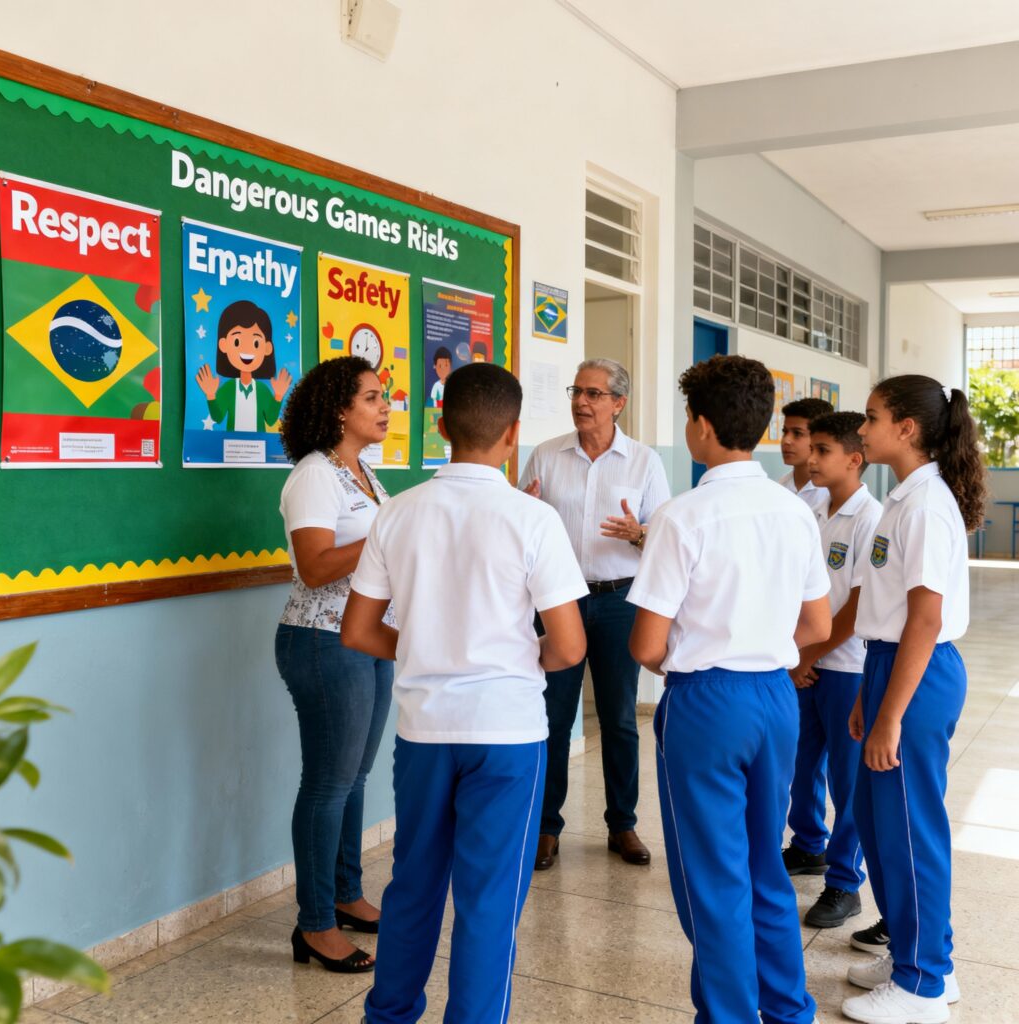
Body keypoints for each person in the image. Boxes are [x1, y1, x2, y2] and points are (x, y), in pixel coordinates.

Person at [342, 362, 587, 1024]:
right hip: (507, 734)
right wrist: (515, 657)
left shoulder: (396, 512)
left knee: (413, 884)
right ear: (511, 435)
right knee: (488, 899)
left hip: (424, 731)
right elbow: (568, 647)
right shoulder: (532, 519)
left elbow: (360, 630)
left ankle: (388, 1015)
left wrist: (427, 649)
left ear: (441, 425)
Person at [628, 354, 831, 1024]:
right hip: (776, 698)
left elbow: (646, 645)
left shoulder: (683, 516)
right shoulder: (795, 510)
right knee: (763, 868)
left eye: (688, 416)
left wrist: (694, 658)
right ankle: (787, 1009)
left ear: (704, 427)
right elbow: (817, 624)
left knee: (711, 880)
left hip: (707, 704)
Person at [841, 376, 986, 1024]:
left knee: (908, 829)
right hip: (886, 666)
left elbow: (924, 620)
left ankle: (923, 986)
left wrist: (890, 713)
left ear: (907, 429)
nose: (861, 429)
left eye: (870, 418)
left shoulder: (924, 504)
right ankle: (922, 955)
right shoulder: (904, 498)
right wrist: (871, 698)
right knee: (880, 824)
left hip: (914, 673)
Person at [519, 358, 670, 869]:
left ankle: (622, 825)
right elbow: (522, 522)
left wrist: (639, 534)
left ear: (618, 403)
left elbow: (664, 541)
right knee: (553, 716)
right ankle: (545, 827)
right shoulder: (544, 456)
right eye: (576, 391)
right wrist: (522, 508)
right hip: (558, 601)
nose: (581, 402)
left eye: (593, 394)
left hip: (618, 600)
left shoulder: (645, 462)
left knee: (619, 718)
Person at [274, 355, 394, 975]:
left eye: (385, 396)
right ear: (340, 410)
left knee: (353, 779)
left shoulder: (366, 475)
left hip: (367, 639)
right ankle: (314, 924)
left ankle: (346, 894)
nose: (385, 407)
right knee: (327, 784)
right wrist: (385, 538)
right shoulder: (314, 476)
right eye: (373, 397)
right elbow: (316, 566)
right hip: (321, 642)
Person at [783, 412, 883, 929]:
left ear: (854, 459)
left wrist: (808, 655)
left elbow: (858, 604)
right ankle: (807, 845)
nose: (811, 458)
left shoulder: (871, 518)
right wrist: (797, 657)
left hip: (845, 665)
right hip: (804, 660)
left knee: (848, 781)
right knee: (800, 765)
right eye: (810, 448)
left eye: (822, 450)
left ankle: (845, 882)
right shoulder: (807, 505)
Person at [195, 299, 292, 431]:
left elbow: (270, 419)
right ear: (223, 344)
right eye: (236, 341)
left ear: (267, 348)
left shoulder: (262, 390)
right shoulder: (229, 388)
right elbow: (218, 418)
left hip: (258, 448)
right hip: (231, 447)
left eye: (256, 343)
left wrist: (278, 396)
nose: (247, 349)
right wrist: (210, 395)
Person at [779, 397, 834, 513]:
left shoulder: (830, 492)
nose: (786, 441)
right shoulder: (780, 487)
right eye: (785, 432)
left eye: (797, 433)